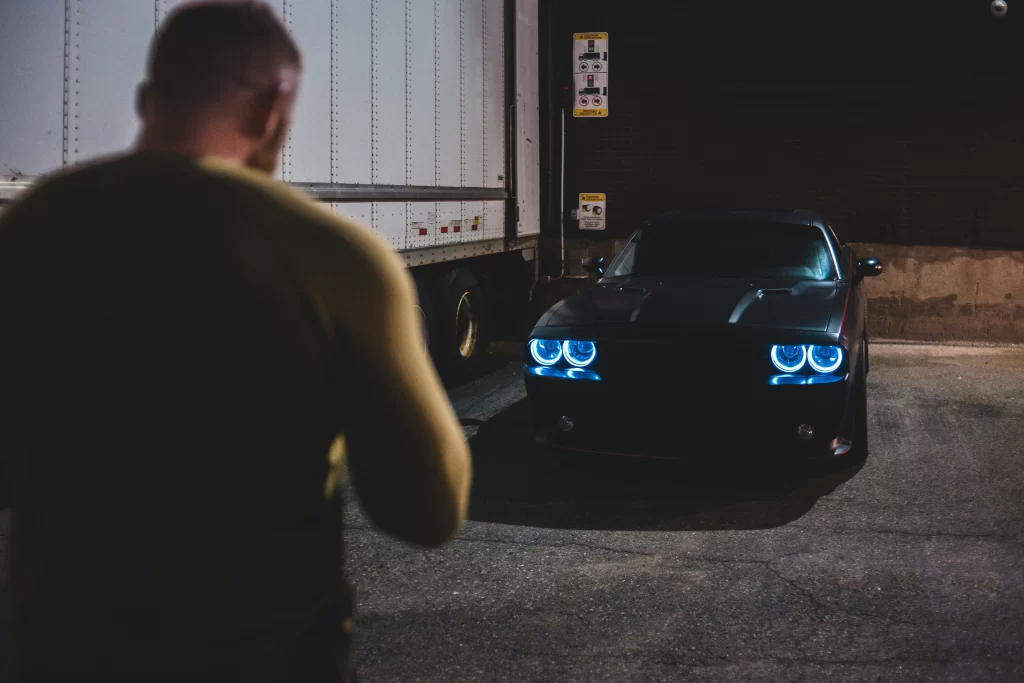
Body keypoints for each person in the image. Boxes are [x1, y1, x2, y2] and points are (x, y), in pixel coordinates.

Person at [0, 2, 471, 680]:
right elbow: (426, 509)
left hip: (64, 651)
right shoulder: (335, 257)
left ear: (146, 99)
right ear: (273, 107)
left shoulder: (30, 231)